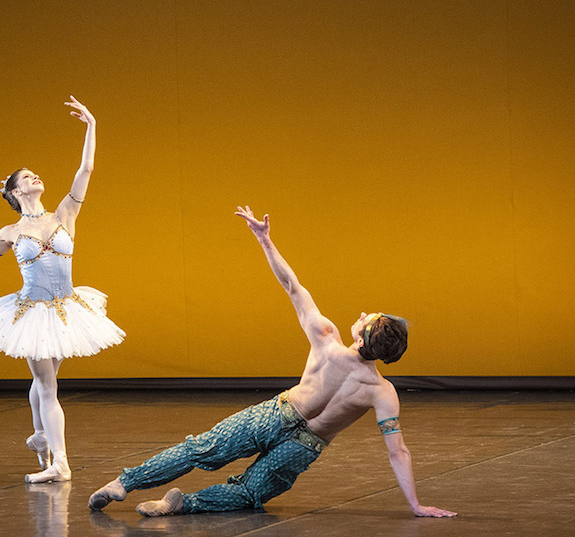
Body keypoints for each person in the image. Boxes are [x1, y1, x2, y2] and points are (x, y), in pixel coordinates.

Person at [88, 206, 456, 518]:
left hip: (276, 415)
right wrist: (416, 505)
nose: (361, 312)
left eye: (366, 316)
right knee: (249, 494)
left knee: (199, 450)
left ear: (361, 337)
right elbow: (398, 450)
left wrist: (264, 239)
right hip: (306, 443)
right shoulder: (382, 392)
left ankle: (128, 483)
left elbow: (292, 286)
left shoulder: (327, 340)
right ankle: (180, 503)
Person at [0, 96, 125, 483]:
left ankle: (41, 438)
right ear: (15, 192)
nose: (35, 178)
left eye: (36, 175)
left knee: (44, 380)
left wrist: (91, 125)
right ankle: (60, 463)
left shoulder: (65, 212)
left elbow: (87, 168)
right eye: (27, 177)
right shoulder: (11, 233)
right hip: (31, 311)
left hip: (66, 308)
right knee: (48, 385)